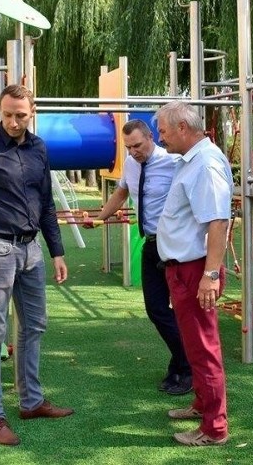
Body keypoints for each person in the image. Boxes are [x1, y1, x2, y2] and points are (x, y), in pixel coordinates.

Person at [0, 84, 74, 447]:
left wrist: (57, 251)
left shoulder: (39, 148)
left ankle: (31, 401)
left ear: (31, 112)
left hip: (32, 250)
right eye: (7, 114)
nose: (12, 121)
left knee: (35, 325)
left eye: (20, 115)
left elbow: (46, 206)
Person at [88, 119, 192, 395]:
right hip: (151, 244)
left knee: (181, 309)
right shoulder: (132, 164)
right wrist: (100, 218)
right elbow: (121, 193)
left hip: (174, 246)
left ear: (150, 138)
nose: (133, 151)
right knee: (156, 309)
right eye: (128, 147)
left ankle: (185, 367)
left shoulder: (173, 162)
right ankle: (183, 362)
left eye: (137, 145)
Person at [154, 100, 233, 447]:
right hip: (183, 269)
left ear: (183, 128)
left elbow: (217, 220)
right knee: (193, 345)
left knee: (203, 349)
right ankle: (202, 404)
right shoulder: (193, 160)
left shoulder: (205, 163)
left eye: (164, 131)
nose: (161, 138)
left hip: (195, 270)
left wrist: (210, 275)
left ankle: (214, 428)